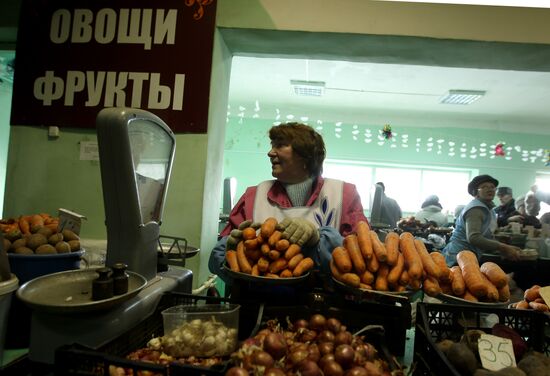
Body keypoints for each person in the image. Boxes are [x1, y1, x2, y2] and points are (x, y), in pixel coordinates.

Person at [208, 122, 368, 288]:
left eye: (280, 145)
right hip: (257, 305)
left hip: (325, 306)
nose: (270, 153)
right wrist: (230, 252)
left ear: (305, 155)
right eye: (272, 145)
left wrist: (318, 239)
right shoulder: (253, 196)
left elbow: (363, 259)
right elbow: (215, 259)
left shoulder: (343, 194)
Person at [441, 174, 521, 266]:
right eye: (484, 187)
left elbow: (486, 230)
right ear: (475, 192)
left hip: (466, 257)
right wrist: (502, 247)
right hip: (458, 257)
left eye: (492, 187)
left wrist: (503, 232)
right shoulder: (476, 209)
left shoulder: (488, 208)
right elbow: (474, 238)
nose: (490, 189)